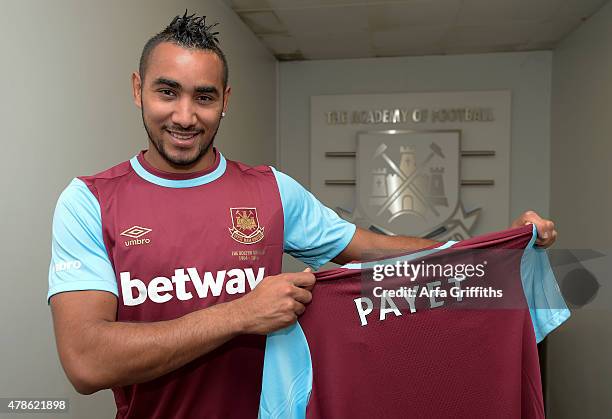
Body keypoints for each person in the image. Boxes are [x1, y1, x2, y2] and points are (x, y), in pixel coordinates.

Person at [47, 11, 557, 419]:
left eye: (203, 97)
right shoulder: (89, 202)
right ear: (138, 89)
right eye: (167, 92)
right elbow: (87, 361)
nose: (185, 116)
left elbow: (372, 251)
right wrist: (241, 314)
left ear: (224, 102)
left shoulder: (270, 189)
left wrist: (498, 249)